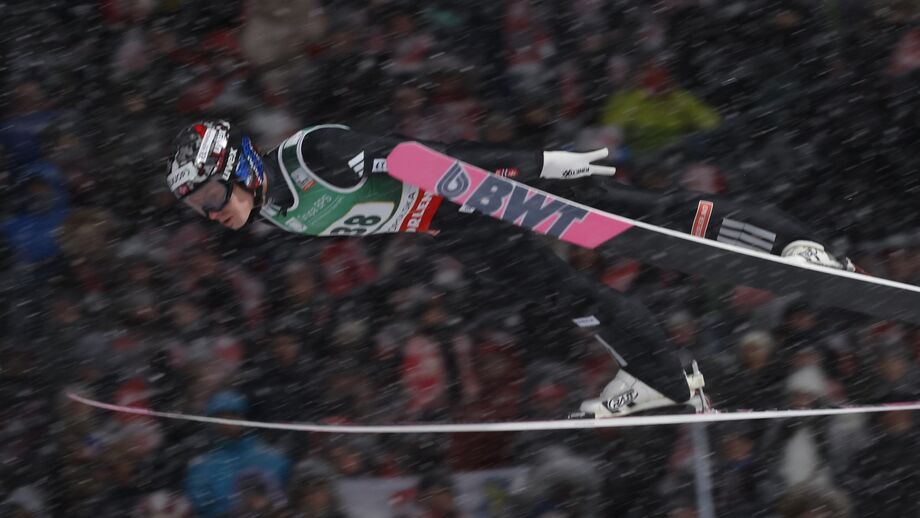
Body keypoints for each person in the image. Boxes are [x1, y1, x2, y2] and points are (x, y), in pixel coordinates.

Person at [165, 120, 849, 418]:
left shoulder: (312, 158)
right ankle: (664, 379)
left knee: (649, 217)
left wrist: (541, 165)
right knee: (566, 297)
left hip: (476, 189)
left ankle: (795, 246)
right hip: (452, 227)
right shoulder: (274, 214)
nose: (210, 213)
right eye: (198, 208)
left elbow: (420, 157)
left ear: (239, 166)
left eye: (211, 195)